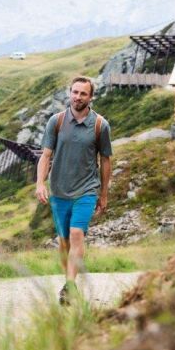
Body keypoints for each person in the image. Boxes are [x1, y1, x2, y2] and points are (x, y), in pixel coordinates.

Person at [35, 76, 113, 305]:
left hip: (87, 190)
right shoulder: (56, 122)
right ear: (69, 93)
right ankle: (68, 280)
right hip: (59, 190)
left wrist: (104, 193)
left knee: (77, 235)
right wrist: (40, 183)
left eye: (83, 93)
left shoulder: (100, 125)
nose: (78, 97)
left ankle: (69, 286)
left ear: (91, 97)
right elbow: (46, 156)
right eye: (75, 92)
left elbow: (106, 160)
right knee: (64, 242)